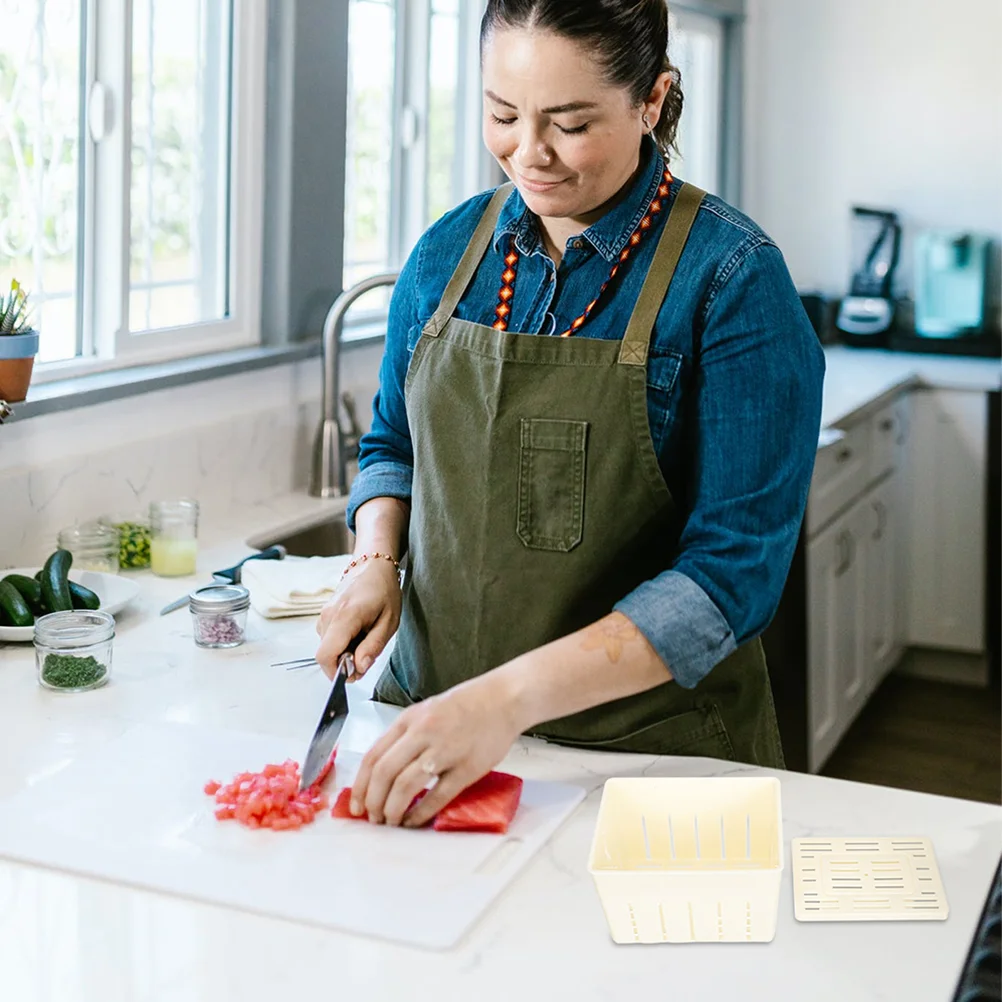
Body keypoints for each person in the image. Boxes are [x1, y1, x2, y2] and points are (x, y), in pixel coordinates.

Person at [316, 0, 825, 827]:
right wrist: (375, 558)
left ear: (652, 101)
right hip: (439, 738)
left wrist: (504, 700)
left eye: (569, 123)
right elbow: (391, 445)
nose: (529, 153)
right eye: (502, 114)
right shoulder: (447, 253)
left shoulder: (732, 280)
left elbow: (728, 580)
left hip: (651, 766)